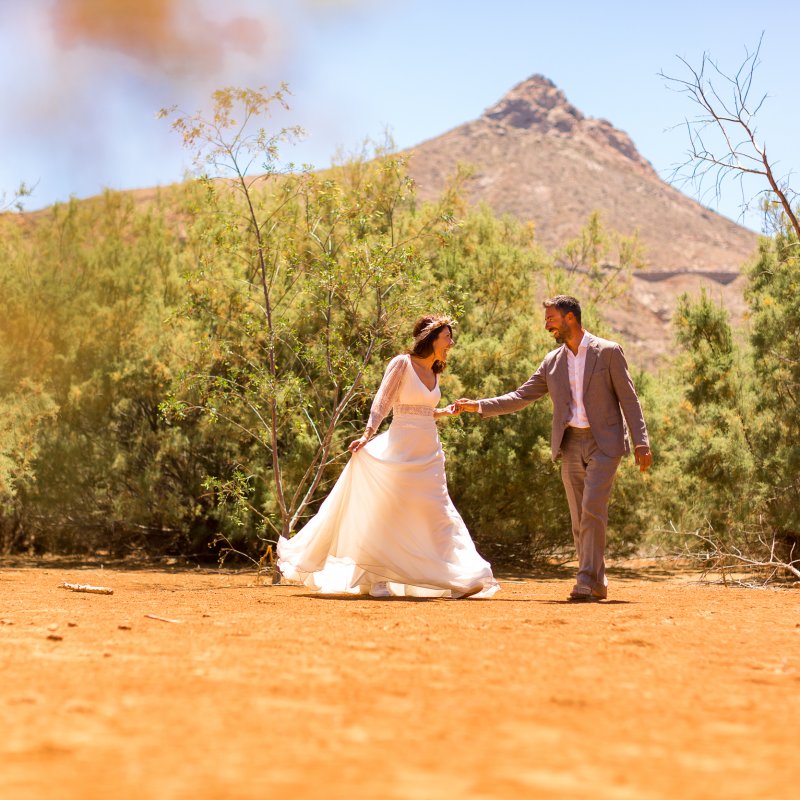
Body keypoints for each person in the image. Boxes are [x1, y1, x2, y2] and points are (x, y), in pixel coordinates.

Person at [277, 314, 499, 599]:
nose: (451, 342)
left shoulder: (435, 370)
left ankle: (459, 576)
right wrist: (367, 435)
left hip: (429, 451)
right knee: (390, 510)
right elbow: (383, 402)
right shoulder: (401, 364)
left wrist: (443, 412)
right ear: (431, 338)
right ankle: (375, 575)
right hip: (401, 447)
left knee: (437, 512)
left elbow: (421, 409)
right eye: (447, 337)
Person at [456, 295, 652, 602]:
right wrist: (478, 406)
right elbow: (519, 397)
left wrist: (641, 442)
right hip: (570, 443)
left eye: (551, 318)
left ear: (570, 317)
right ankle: (597, 581)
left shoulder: (609, 352)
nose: (547, 324)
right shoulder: (552, 362)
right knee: (579, 519)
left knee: (592, 510)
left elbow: (629, 399)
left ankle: (585, 579)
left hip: (605, 443)